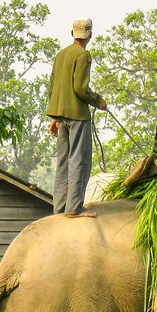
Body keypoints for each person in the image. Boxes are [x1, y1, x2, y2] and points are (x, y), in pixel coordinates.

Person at [47, 17, 107, 217]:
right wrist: (98, 100)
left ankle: (60, 208)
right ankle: (74, 207)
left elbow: (53, 86)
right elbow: (80, 88)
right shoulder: (83, 55)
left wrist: (54, 118)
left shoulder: (61, 54)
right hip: (77, 115)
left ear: (72, 33)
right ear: (89, 35)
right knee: (78, 161)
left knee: (63, 161)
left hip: (60, 115)